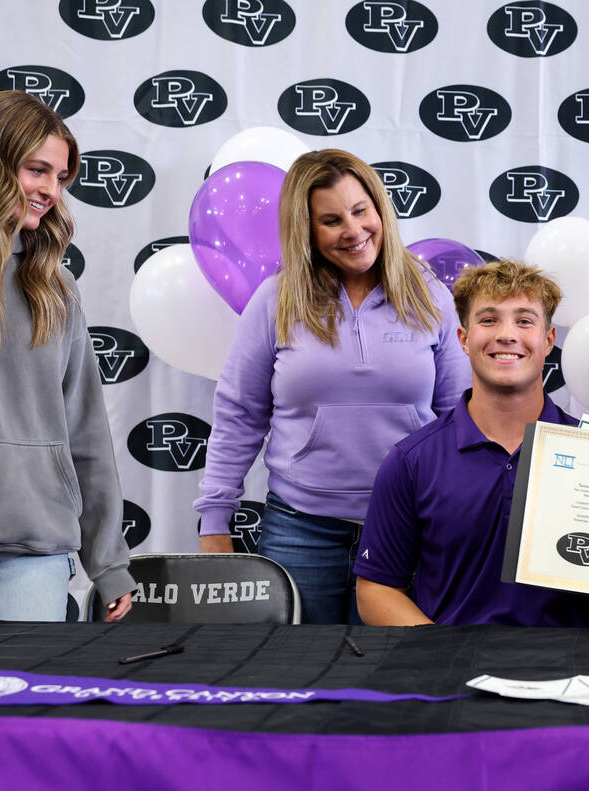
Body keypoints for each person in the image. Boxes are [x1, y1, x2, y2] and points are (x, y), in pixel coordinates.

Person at [195, 149, 470, 624]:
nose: (354, 230)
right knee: (296, 680)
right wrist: (215, 521)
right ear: (306, 230)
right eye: (331, 220)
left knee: (395, 683)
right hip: (300, 531)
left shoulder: (430, 295)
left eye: (361, 210)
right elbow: (239, 415)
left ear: (380, 209)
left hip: (409, 530)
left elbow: (457, 418)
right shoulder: (275, 301)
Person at [0, 91, 134, 621]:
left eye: (61, 178)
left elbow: (85, 432)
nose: (50, 191)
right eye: (37, 170)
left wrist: (107, 563)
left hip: (32, 546)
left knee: (14, 700)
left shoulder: (54, 286)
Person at [353, 259, 589, 626]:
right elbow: (376, 590)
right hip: (453, 676)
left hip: (570, 675)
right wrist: (446, 656)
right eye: (489, 320)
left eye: (524, 320)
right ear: (464, 339)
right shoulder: (412, 461)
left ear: (548, 340)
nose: (507, 334)